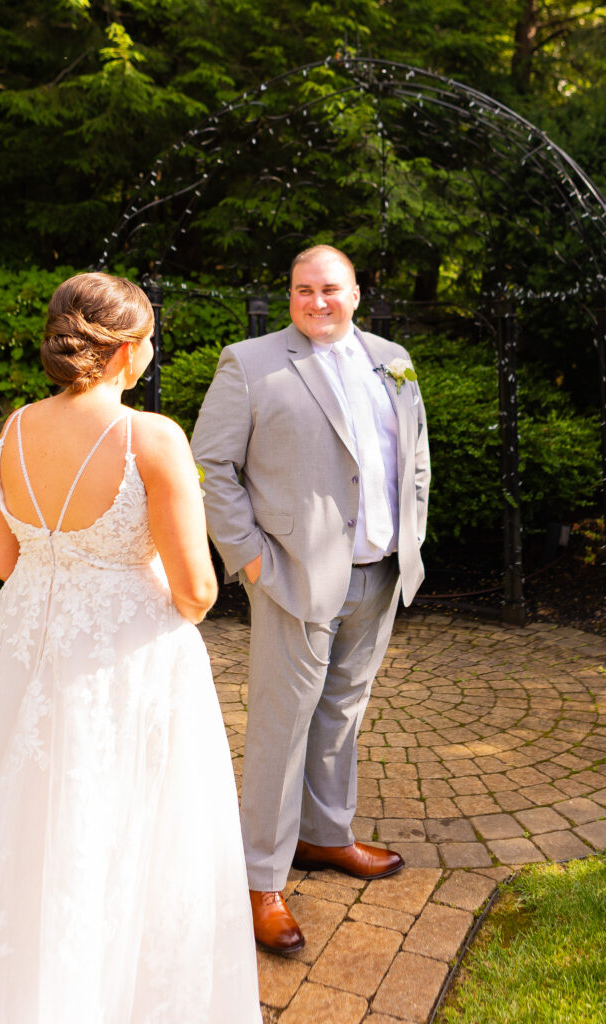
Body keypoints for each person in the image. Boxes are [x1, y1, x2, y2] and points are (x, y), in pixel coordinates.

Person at [0, 272, 262, 1023]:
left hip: (22, 645)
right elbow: (197, 594)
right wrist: (129, 563)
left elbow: (0, 560)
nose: (150, 353)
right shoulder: (153, 437)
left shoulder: (13, 428)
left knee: (11, 817)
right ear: (124, 352)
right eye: (148, 340)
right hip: (123, 658)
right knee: (116, 826)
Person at [191, 244, 430, 953]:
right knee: (280, 726)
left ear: (357, 294)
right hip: (293, 576)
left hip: (381, 572)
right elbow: (211, 464)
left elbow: (413, 453)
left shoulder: (392, 357)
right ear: (289, 295)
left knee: (342, 714)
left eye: (330, 289)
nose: (316, 301)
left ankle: (326, 837)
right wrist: (251, 559)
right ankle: (261, 877)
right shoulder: (251, 362)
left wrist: (412, 524)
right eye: (302, 289)